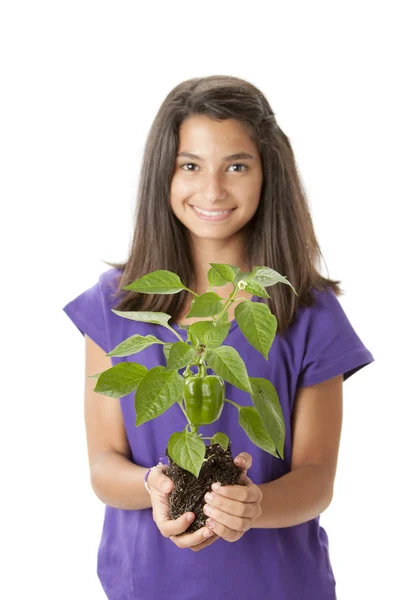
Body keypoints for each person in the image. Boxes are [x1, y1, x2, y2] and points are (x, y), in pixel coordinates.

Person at [62, 75, 375, 600]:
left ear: (266, 174)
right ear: (163, 174)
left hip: (278, 587)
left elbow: (317, 478)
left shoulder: (305, 311)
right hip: (147, 586)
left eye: (236, 166)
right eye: (190, 165)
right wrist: (153, 486)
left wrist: (254, 506)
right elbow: (103, 464)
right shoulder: (120, 305)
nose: (212, 190)